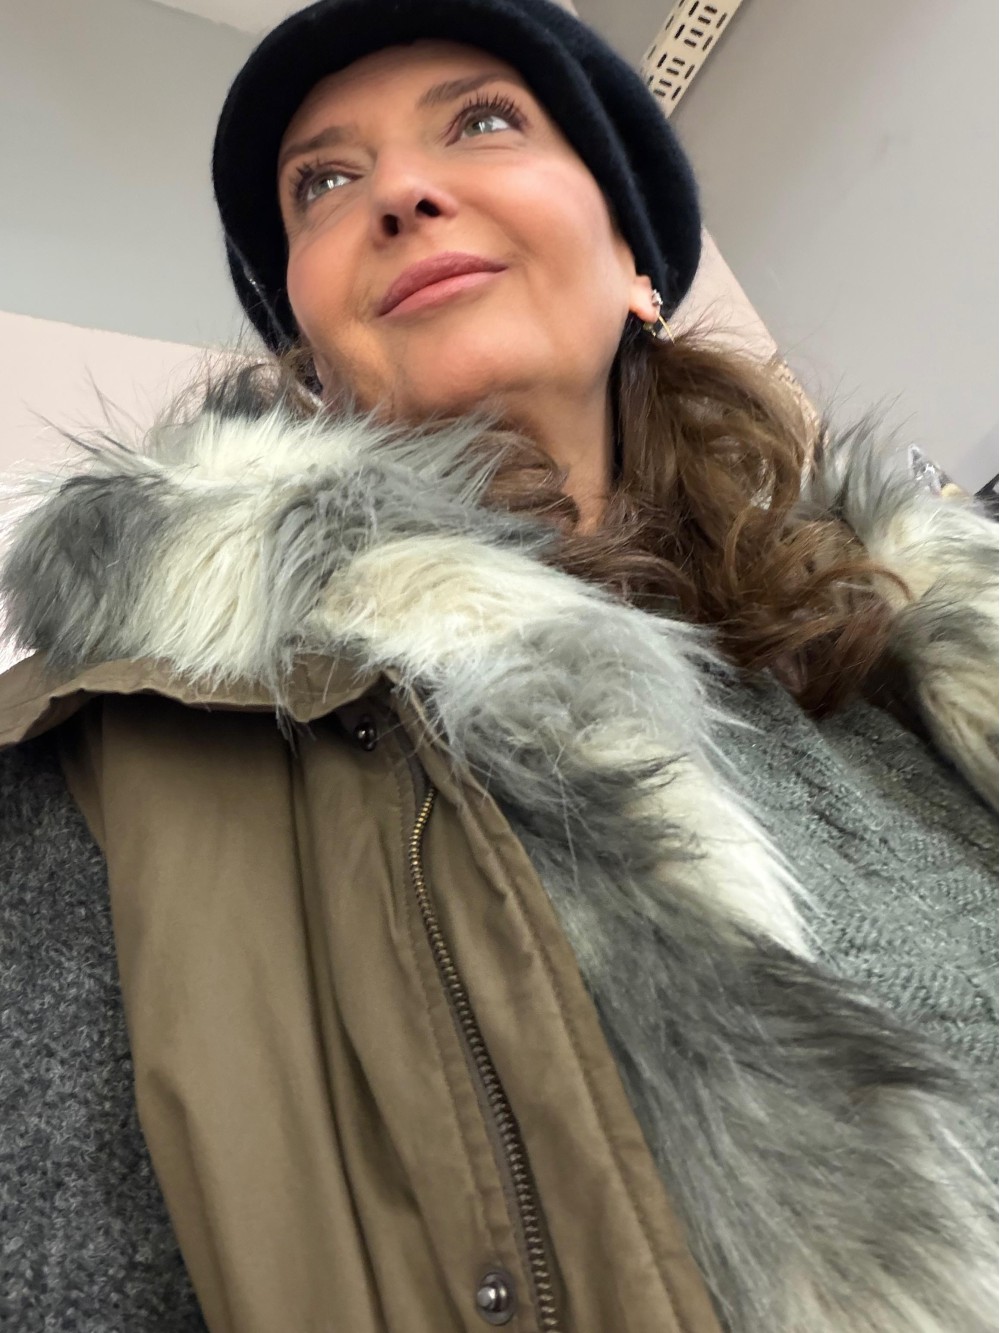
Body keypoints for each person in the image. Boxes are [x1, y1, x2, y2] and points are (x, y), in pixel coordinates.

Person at [0, 0, 996, 1329]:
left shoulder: (920, 642)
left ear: (636, 261)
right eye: (322, 184)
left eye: (481, 121)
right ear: (315, 358)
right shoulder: (130, 751)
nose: (398, 193)